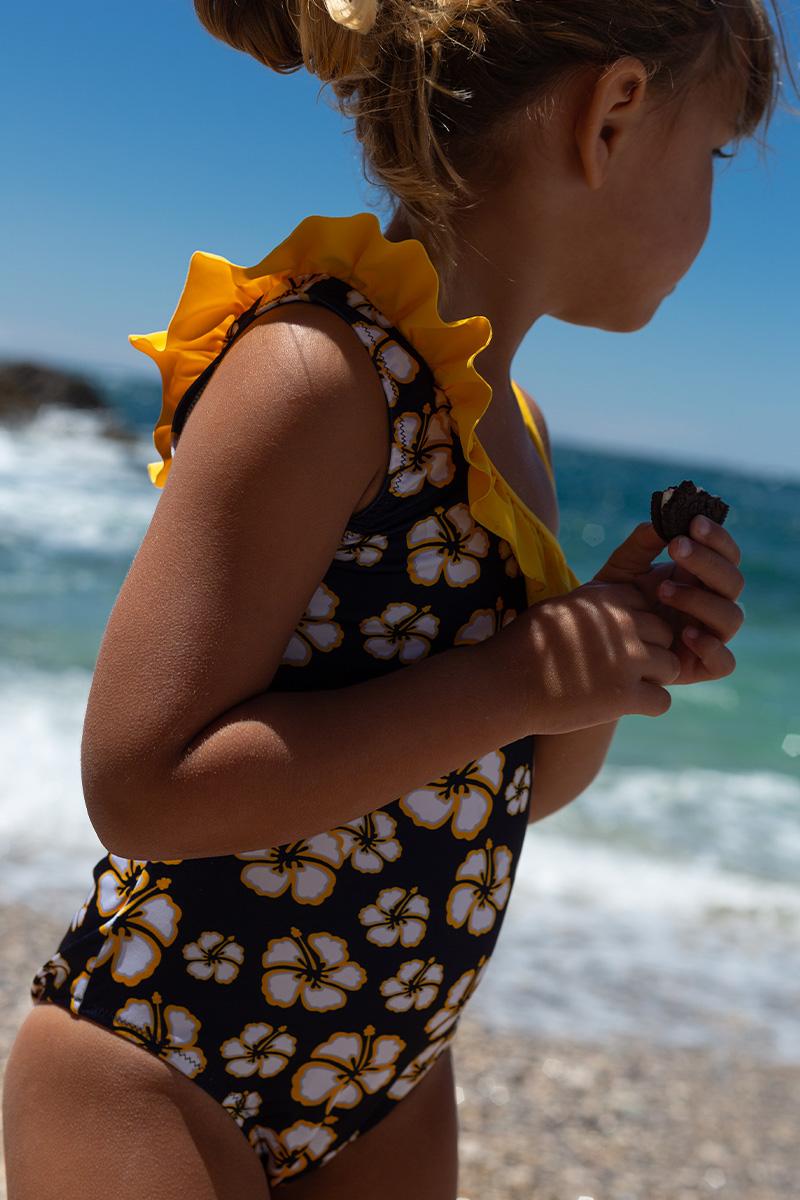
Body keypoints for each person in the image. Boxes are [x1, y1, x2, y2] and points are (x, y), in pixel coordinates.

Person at [3, 0, 793, 1196]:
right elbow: (139, 785)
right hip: (163, 1049)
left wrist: (603, 661)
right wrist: (512, 675)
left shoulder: (504, 425)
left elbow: (516, 786)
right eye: (716, 153)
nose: (711, 202)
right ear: (612, 113)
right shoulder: (318, 370)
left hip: (391, 1068)